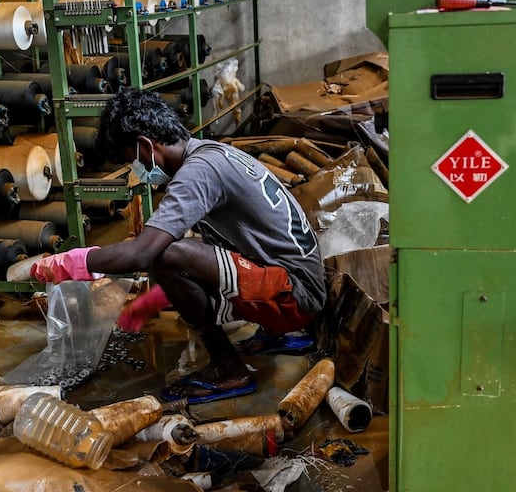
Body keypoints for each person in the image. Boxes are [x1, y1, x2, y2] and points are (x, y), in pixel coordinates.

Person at [31, 87, 326, 404]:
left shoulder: (197, 173)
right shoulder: (212, 152)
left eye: (132, 161)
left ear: (146, 146)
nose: (136, 171)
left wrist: (74, 261)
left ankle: (230, 370)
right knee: (176, 249)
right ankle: (276, 334)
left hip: (297, 298)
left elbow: (142, 253)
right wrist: (156, 299)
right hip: (303, 283)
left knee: (164, 253)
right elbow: (212, 252)